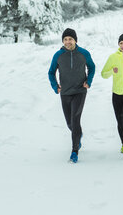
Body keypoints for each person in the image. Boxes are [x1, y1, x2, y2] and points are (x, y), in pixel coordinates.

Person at [48, 28, 95, 163]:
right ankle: (78, 135)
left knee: (75, 120)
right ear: (63, 41)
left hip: (80, 91)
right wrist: (55, 86)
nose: (68, 42)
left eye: (70, 39)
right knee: (69, 122)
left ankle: (74, 151)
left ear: (75, 40)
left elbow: (92, 67)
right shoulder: (58, 55)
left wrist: (88, 81)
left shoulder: (83, 53)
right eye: (65, 39)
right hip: (65, 93)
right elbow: (51, 72)